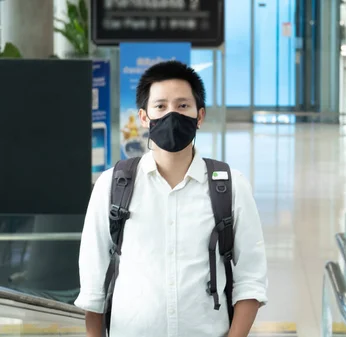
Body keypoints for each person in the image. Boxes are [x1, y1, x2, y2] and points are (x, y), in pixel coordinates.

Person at [74, 61, 268, 337]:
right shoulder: (112, 185)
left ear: (200, 116)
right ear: (144, 117)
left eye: (183, 106)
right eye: (161, 106)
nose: (172, 115)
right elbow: (94, 282)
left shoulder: (230, 186)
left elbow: (251, 277)